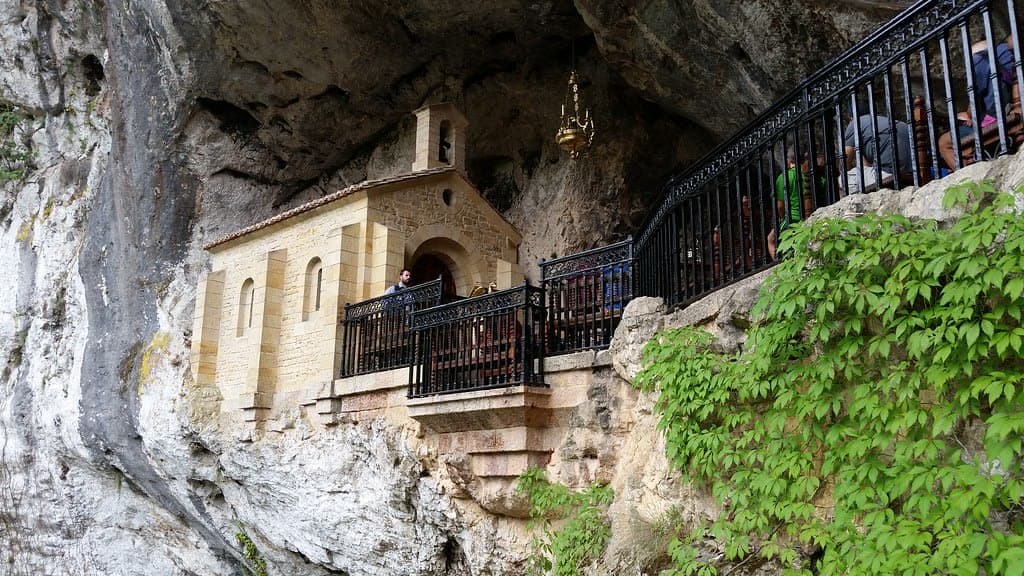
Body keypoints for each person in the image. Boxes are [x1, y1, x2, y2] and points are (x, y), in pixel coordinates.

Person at [938, 38, 1016, 170]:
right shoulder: (1006, 56)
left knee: (944, 142)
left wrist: (967, 115)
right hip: (1010, 109)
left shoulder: (980, 59)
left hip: (996, 118)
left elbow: (974, 101)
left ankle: (967, 177)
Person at [842, 110, 913, 193]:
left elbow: (845, 161)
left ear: (851, 118)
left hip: (888, 173)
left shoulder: (855, 123)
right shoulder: (885, 121)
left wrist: (847, 172)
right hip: (912, 171)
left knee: (841, 181)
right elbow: (867, 167)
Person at [767, 151, 808, 260]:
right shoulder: (810, 175)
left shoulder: (784, 177)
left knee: (771, 240)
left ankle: (779, 265)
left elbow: (780, 207)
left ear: (788, 161)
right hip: (810, 216)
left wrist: (782, 218)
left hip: (792, 219)